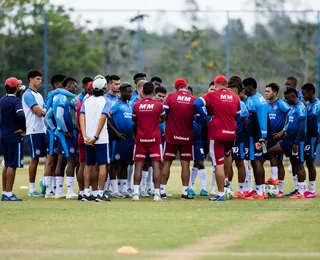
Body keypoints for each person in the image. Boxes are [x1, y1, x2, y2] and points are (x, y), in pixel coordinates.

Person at [194, 75, 240, 201]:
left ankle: (220, 193)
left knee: (218, 164)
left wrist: (206, 116)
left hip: (217, 133)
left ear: (215, 84)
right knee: (228, 154)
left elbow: (196, 103)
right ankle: (226, 181)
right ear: (227, 85)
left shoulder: (212, 95)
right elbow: (239, 116)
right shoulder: (235, 97)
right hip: (231, 134)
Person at [160, 78, 196, 200]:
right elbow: (197, 118)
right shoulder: (193, 99)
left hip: (171, 136)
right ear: (186, 87)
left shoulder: (170, 97)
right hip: (187, 137)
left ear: (176, 88)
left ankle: (162, 191)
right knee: (185, 164)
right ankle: (185, 193)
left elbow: (163, 114)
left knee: (167, 163)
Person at [269, 88, 307, 199]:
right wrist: (284, 133)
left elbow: (302, 127)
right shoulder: (292, 108)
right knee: (272, 151)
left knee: (298, 164)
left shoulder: (300, 108)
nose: (286, 100)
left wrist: (296, 143)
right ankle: (275, 178)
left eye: (287, 98)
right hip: (287, 140)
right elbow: (290, 123)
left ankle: (301, 192)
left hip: (296, 141)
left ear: (293, 96)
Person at [131, 82, 166, 201]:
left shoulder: (136, 105)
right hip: (155, 138)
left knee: (139, 164)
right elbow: (163, 119)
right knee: (156, 164)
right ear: (153, 93)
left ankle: (135, 193)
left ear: (142, 91)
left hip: (140, 138)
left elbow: (134, 120)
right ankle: (157, 194)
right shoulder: (158, 105)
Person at [80, 78, 111, 202]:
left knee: (88, 165)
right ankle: (100, 193)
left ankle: (86, 193)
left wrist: (85, 136)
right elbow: (102, 118)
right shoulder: (106, 101)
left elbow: (82, 118)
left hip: (88, 138)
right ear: (103, 88)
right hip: (101, 138)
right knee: (102, 165)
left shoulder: (86, 101)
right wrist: (96, 137)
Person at [242, 78, 268, 200]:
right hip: (262, 134)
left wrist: (257, 138)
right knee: (258, 161)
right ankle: (261, 190)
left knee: (256, 162)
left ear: (250, 87)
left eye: (244, 87)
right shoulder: (261, 98)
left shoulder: (252, 101)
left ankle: (259, 192)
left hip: (255, 136)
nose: (243, 90)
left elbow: (254, 120)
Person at [52, 77, 78, 199]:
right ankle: (70, 191)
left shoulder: (57, 98)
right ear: (69, 85)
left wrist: (54, 129)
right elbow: (58, 116)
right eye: (74, 86)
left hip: (59, 133)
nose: (75, 88)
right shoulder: (62, 97)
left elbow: (48, 116)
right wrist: (65, 130)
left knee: (61, 160)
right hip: (64, 135)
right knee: (71, 161)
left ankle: (58, 191)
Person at [0, 77, 26, 201]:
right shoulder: (16, 101)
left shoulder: (2, 100)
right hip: (13, 136)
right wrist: (23, 129)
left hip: (3, 135)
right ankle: (9, 194)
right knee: (12, 165)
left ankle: (5, 192)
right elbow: (20, 114)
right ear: (15, 88)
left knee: (6, 163)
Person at [22, 69, 46, 197]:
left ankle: (45, 182)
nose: (40, 81)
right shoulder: (27, 95)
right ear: (30, 79)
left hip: (42, 130)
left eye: (41, 79)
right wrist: (44, 111)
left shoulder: (39, 95)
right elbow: (38, 111)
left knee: (50, 157)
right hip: (33, 131)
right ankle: (31, 189)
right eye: (37, 79)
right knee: (34, 159)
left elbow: (45, 108)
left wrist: (44, 111)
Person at [263, 83, 291, 197]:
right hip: (267, 138)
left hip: (277, 137)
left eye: (268, 91)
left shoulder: (281, 104)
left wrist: (283, 131)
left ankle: (280, 190)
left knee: (279, 163)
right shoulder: (266, 104)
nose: (266, 93)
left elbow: (291, 115)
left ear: (275, 93)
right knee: (259, 161)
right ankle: (259, 188)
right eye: (265, 91)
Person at [108, 82, 134, 198]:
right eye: (128, 91)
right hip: (118, 140)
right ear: (122, 92)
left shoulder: (129, 105)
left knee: (125, 164)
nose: (130, 94)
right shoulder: (116, 104)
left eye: (131, 91)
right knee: (115, 164)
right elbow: (106, 118)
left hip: (129, 140)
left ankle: (123, 189)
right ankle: (114, 190)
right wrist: (116, 132)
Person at [227, 83, 249, 199]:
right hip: (227, 136)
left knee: (239, 162)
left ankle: (241, 190)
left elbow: (245, 119)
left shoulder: (240, 103)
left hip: (238, 137)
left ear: (234, 91)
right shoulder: (227, 101)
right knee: (228, 162)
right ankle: (228, 187)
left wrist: (241, 132)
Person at [187, 86, 209, 197]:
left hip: (199, 141)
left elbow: (204, 123)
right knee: (187, 163)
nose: (188, 96)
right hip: (187, 140)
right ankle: (189, 188)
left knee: (200, 162)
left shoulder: (200, 110)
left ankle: (204, 189)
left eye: (190, 94)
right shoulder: (184, 110)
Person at [301, 83, 320, 198]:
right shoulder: (308, 103)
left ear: (311, 92)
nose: (303, 96)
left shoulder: (317, 105)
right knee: (304, 161)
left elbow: (312, 119)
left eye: (304, 94)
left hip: (313, 136)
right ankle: (304, 188)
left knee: (310, 162)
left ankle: (312, 190)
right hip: (306, 136)